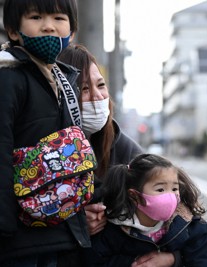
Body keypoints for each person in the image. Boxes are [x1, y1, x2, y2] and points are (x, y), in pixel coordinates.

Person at [0, 0, 90, 266]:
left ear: (71, 31)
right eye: (36, 17)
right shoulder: (2, 79)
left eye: (59, 18)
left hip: (57, 230)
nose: (49, 27)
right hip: (19, 242)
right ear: (13, 31)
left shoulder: (60, 80)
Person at [58, 45, 180, 267]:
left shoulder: (125, 149)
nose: (97, 97)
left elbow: (175, 210)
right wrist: (72, 224)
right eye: (83, 89)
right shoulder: (45, 150)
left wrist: (172, 258)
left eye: (101, 85)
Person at [90, 153, 207, 266]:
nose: (170, 196)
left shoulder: (193, 227)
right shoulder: (112, 229)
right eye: (160, 189)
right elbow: (94, 261)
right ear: (135, 196)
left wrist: (174, 260)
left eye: (174, 189)